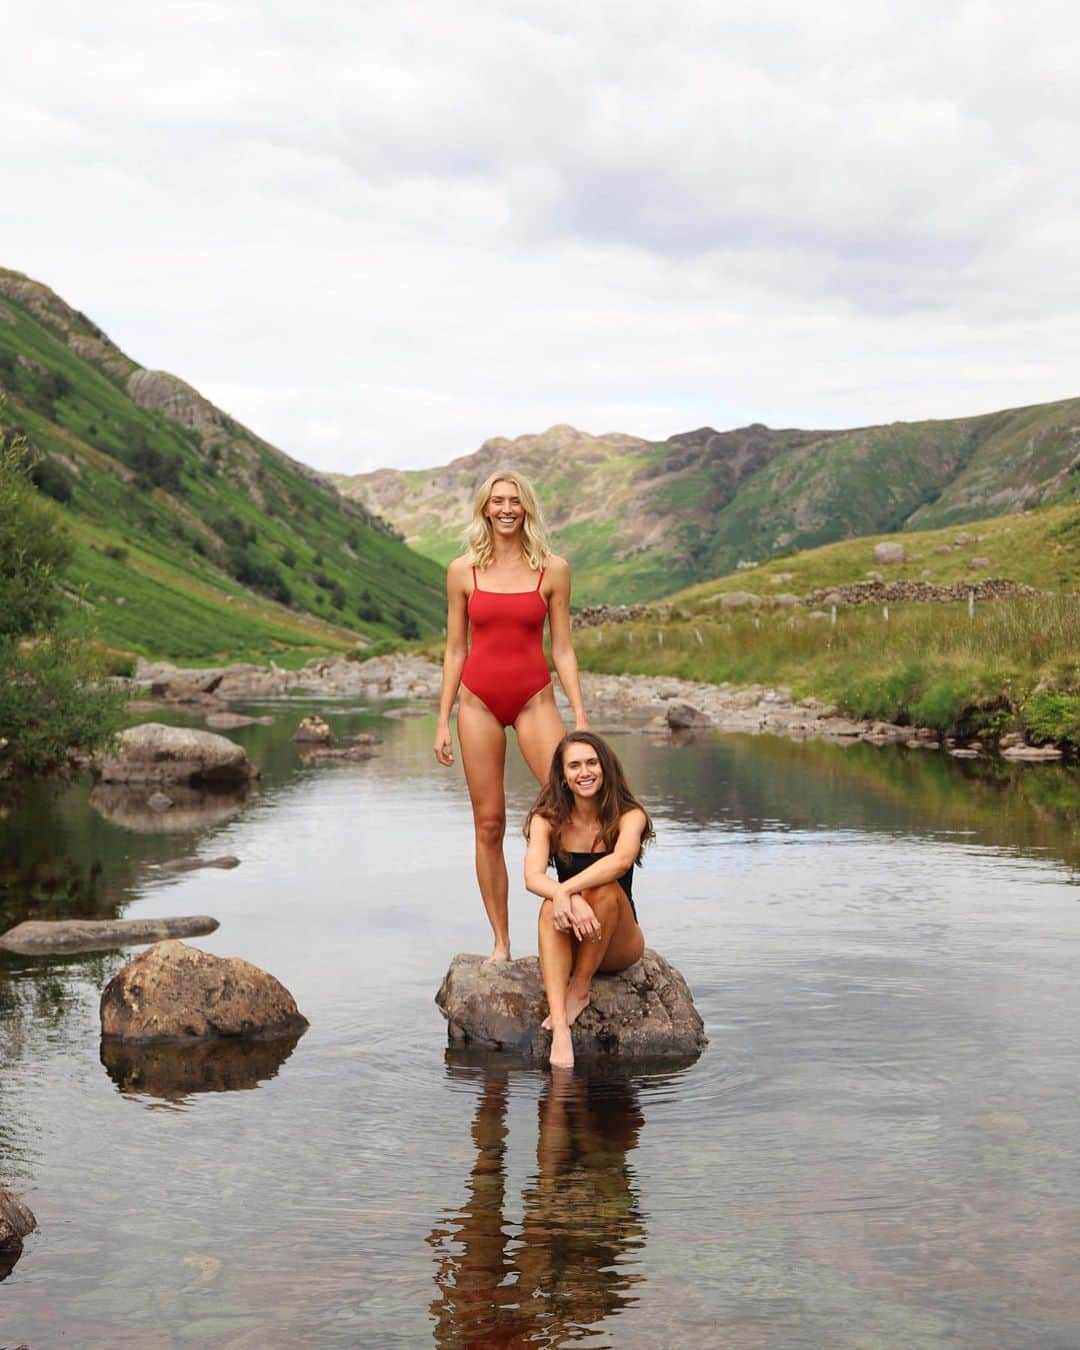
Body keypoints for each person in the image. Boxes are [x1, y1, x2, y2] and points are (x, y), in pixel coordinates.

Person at [434, 470, 588, 963]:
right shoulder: (462, 571)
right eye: (497, 501)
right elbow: (455, 650)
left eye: (514, 501)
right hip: (477, 701)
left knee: (569, 810)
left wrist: (580, 718)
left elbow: (562, 649)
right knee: (489, 824)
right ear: (484, 508)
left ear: (526, 509)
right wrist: (442, 720)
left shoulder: (552, 568)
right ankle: (501, 942)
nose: (506, 509)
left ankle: (571, 912)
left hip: (535, 699)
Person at [525, 732, 653, 1069]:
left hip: (617, 941)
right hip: (574, 934)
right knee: (549, 904)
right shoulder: (547, 819)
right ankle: (561, 1028)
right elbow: (532, 877)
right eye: (575, 765)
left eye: (592, 763)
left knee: (606, 890)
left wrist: (567, 889)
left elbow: (621, 861)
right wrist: (562, 894)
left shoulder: (629, 815)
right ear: (563, 776)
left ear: (605, 767)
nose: (585, 772)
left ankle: (580, 988)